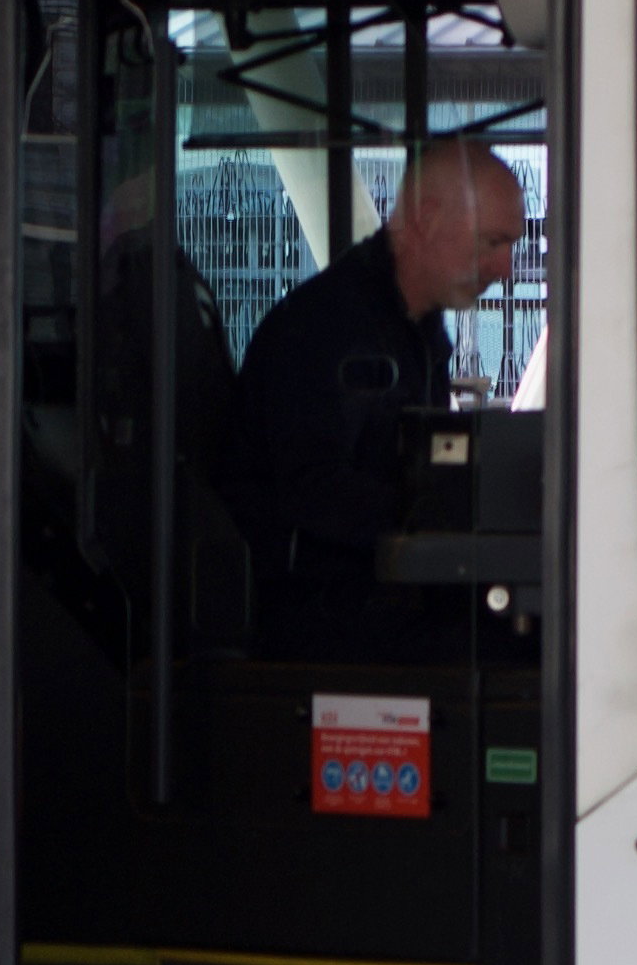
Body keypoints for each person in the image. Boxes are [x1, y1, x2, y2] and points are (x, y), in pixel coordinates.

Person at [220, 141, 521, 647]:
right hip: (323, 617)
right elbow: (312, 490)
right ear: (425, 218)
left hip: (375, 597)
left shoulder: (411, 330)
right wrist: (442, 515)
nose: (505, 269)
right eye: (492, 242)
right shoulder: (329, 330)